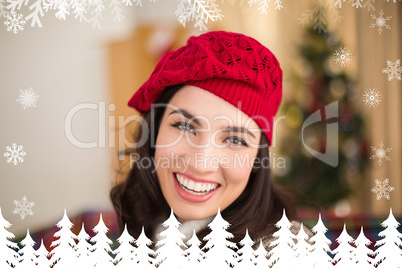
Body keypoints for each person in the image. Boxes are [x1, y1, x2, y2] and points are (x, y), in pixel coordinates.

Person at [110, 30, 309, 250]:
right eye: (184, 126)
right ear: (154, 132)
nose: (201, 163)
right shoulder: (145, 228)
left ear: (256, 160)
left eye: (235, 140)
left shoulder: (285, 251)